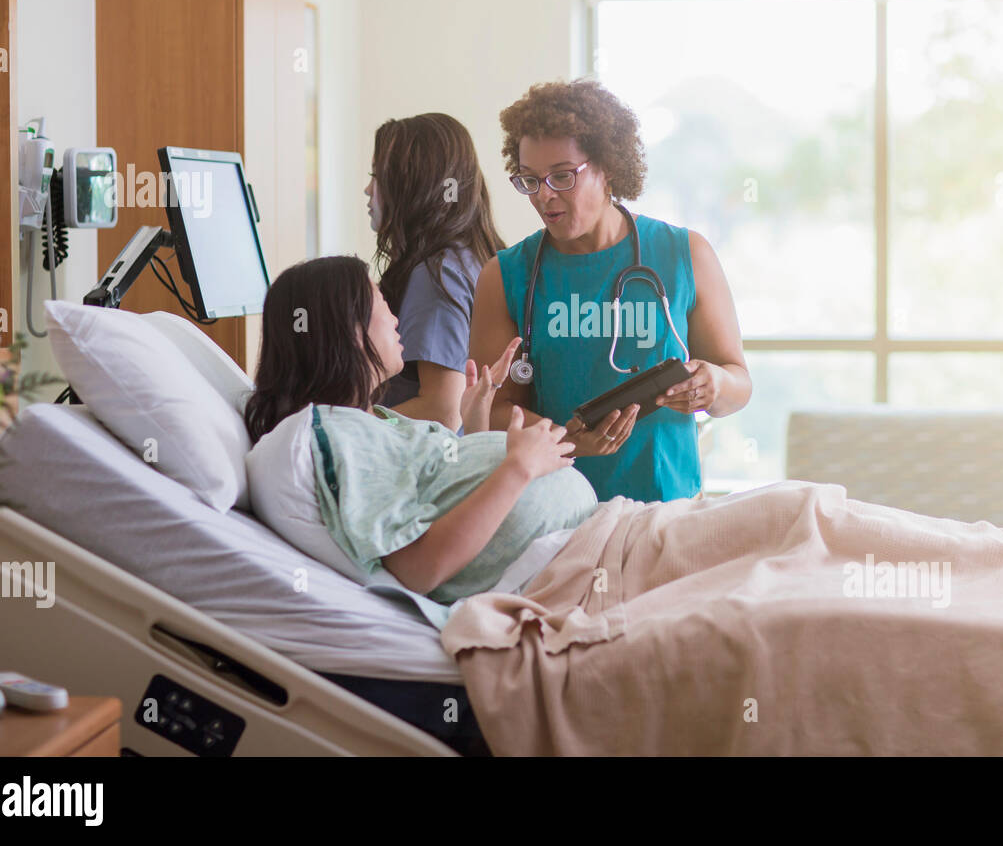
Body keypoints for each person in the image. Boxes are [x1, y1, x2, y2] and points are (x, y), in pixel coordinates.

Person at [244, 256, 593, 605]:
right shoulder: (341, 435)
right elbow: (418, 568)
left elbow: (444, 490)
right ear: (347, 327)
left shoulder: (377, 421)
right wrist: (520, 467)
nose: (396, 318)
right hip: (574, 566)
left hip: (583, 547)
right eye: (381, 302)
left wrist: (475, 422)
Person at [468, 79, 751, 503]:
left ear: (609, 167)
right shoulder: (505, 276)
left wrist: (713, 385)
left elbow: (738, 384)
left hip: (667, 512)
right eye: (530, 180)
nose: (544, 195)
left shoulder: (684, 254)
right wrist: (567, 440)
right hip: (555, 517)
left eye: (562, 176)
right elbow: (489, 410)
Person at [365, 113, 505, 433]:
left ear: (413, 185)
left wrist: (348, 425)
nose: (367, 189)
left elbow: (442, 411)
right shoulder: (474, 256)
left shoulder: (437, 274)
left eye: (378, 177)